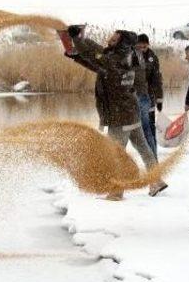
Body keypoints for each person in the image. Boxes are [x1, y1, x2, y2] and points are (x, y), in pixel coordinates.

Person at [64, 26, 168, 199]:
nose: (110, 38)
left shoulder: (117, 59)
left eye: (114, 37)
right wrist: (76, 55)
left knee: (114, 154)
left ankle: (116, 192)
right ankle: (156, 180)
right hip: (130, 111)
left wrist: (76, 40)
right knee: (143, 147)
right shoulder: (125, 56)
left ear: (121, 42)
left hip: (120, 115)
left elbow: (96, 57)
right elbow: (98, 60)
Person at [135, 34, 163, 157]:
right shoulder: (132, 55)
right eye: (139, 44)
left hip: (149, 97)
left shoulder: (153, 58)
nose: (142, 46)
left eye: (144, 44)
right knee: (138, 130)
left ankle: (153, 157)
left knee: (150, 129)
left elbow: (157, 79)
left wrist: (159, 98)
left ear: (148, 44)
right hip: (135, 97)